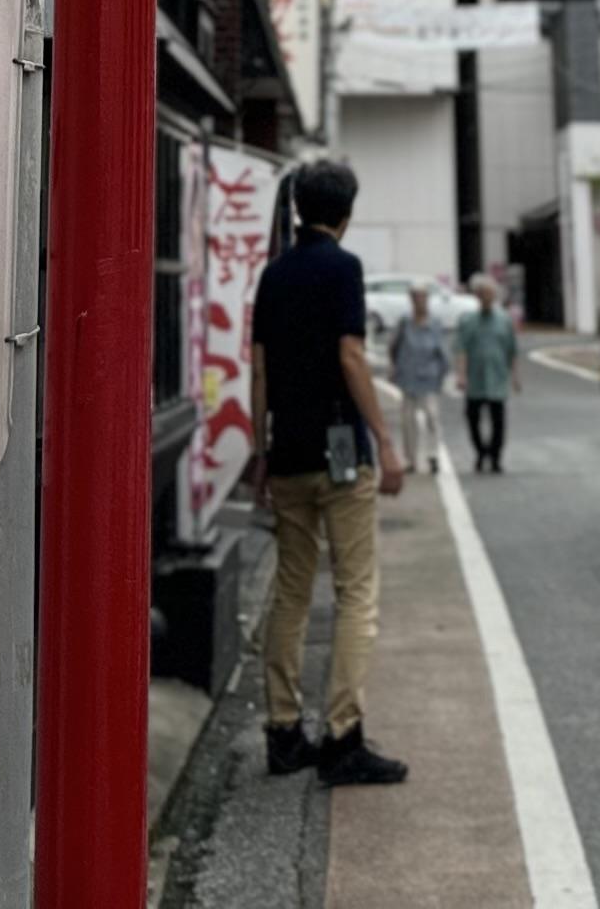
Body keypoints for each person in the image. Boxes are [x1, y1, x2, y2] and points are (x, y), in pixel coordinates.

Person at [248, 162, 409, 784]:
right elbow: (351, 355)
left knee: (291, 591)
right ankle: (343, 736)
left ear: (297, 210)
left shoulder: (273, 274)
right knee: (355, 593)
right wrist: (386, 442)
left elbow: (258, 368)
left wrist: (262, 450)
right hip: (341, 457)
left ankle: (284, 731)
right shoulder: (344, 269)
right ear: (345, 213)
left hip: (287, 451)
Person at [455, 274, 522, 472]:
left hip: (497, 377)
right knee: (472, 418)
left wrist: (515, 377)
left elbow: (512, 350)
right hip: (475, 378)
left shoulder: (504, 320)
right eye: (482, 293)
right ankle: (480, 452)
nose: (486, 297)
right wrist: (461, 375)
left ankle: (495, 457)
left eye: (489, 294)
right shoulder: (468, 320)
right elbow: (461, 349)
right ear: (477, 296)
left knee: (498, 421)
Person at [387, 284, 456, 475]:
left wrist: (444, 373)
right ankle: (410, 459)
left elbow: (442, 351)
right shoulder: (405, 322)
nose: (420, 301)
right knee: (408, 420)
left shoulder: (434, 322)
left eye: (423, 297)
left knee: (432, 416)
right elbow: (393, 346)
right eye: (416, 297)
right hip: (408, 376)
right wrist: (394, 367)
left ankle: (433, 455)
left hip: (429, 377)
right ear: (411, 300)